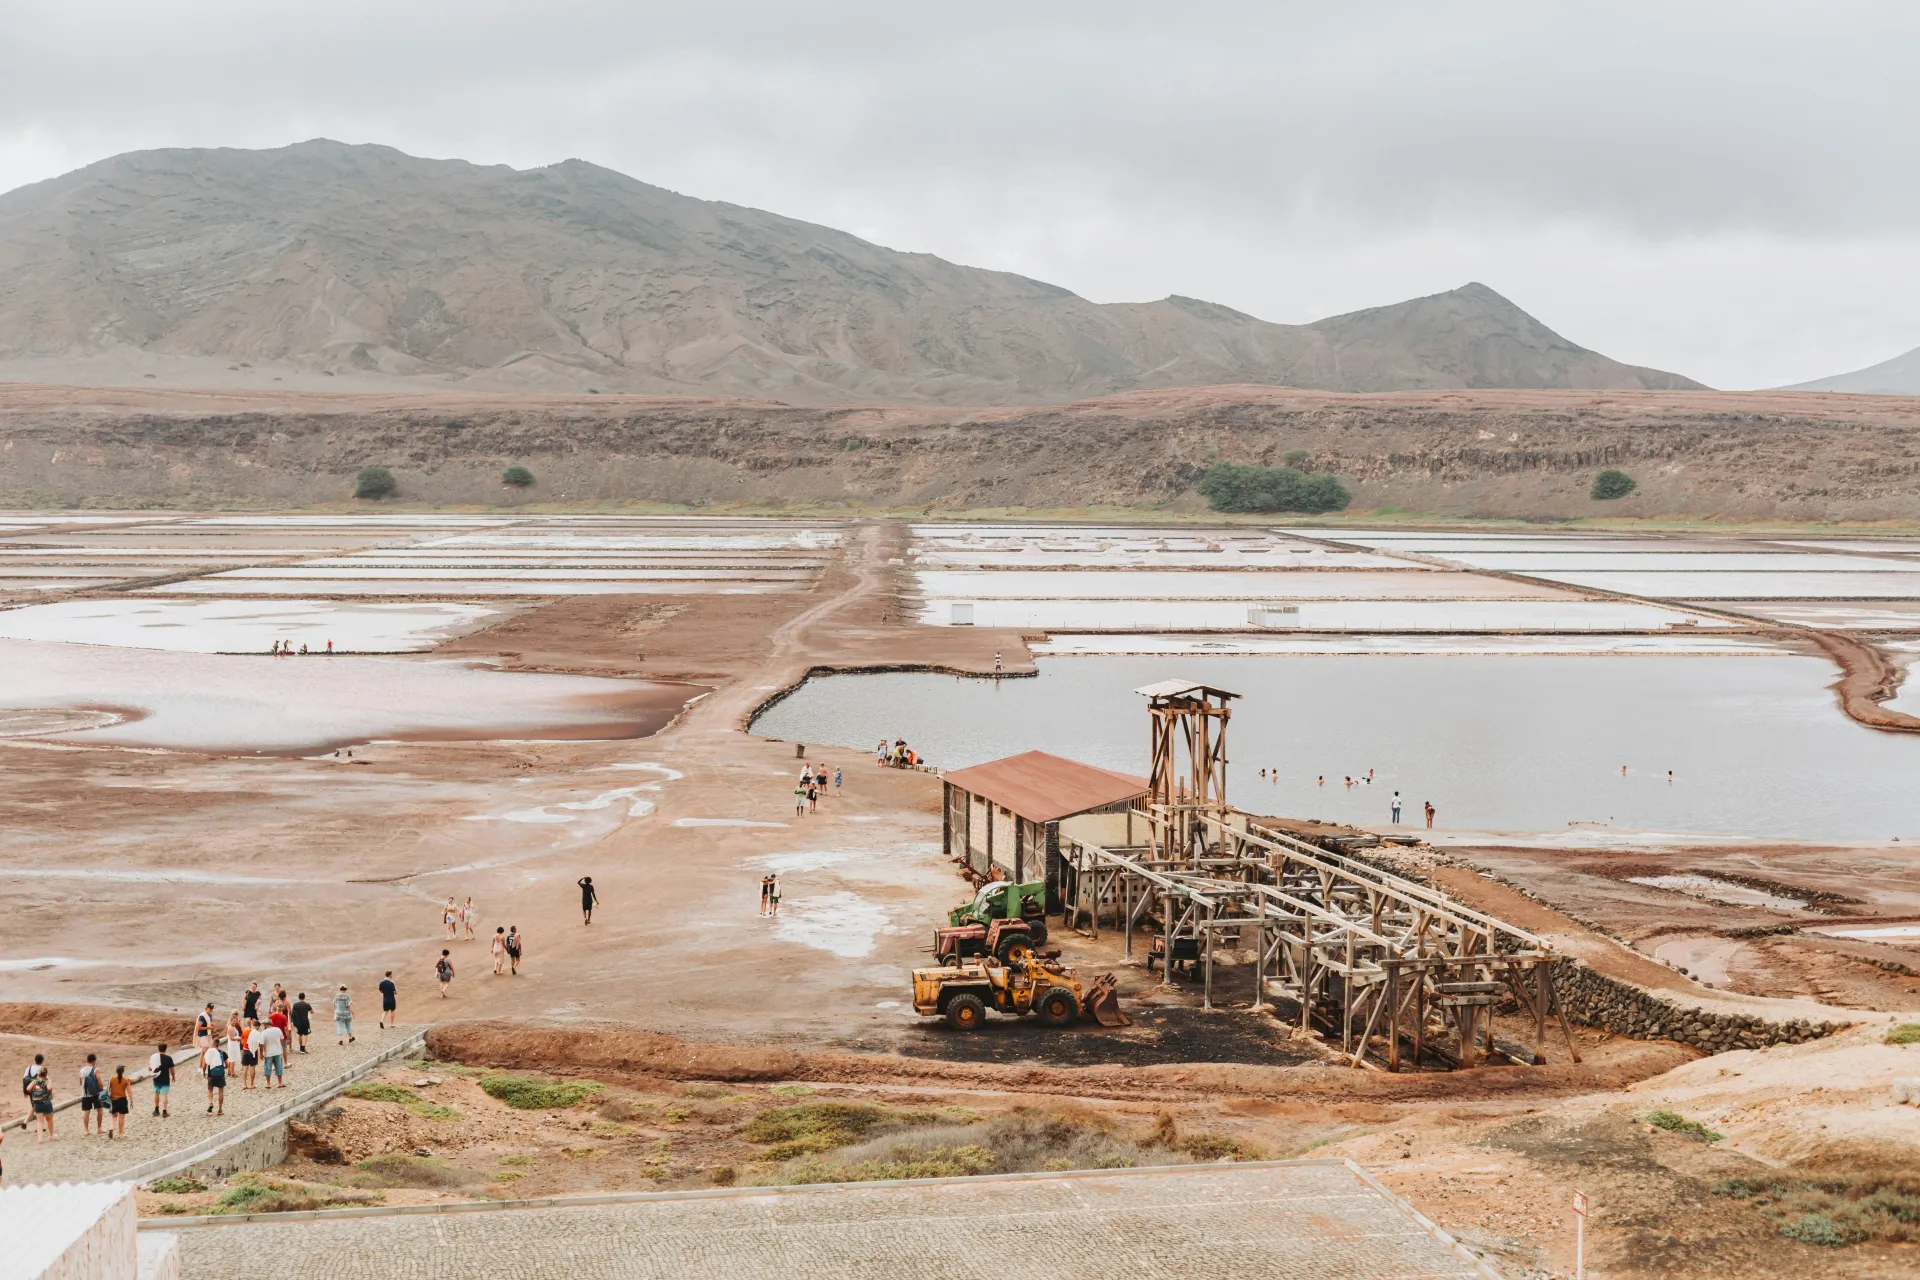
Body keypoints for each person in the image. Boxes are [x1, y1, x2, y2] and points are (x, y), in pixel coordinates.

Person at [255, 1020, 285, 1090]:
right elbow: (282, 1039)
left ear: (265, 1025)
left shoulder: (264, 1033)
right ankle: (280, 1082)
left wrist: (261, 1054)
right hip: (278, 1051)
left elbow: (261, 1045)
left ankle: (268, 1083)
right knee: (279, 1067)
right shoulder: (278, 1029)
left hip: (268, 1053)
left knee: (268, 1068)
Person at [79, 1054, 104, 1136]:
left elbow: (80, 1082)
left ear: (87, 1060)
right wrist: (101, 1089)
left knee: (86, 1111)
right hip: (96, 1093)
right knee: (99, 1109)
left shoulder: (82, 1070)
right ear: (94, 1061)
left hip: (85, 1094)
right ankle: (99, 1128)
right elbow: (99, 1081)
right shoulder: (95, 1070)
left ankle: (86, 1130)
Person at [149, 1043, 174, 1117]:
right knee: (164, 1095)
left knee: (156, 1093)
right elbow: (171, 1069)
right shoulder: (168, 1058)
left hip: (156, 1078)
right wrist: (173, 1076)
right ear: (166, 1049)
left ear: (158, 1048)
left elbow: (150, 1068)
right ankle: (164, 1111)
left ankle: (156, 1110)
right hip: (165, 1079)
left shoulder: (154, 1058)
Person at [28, 1068, 53, 1141]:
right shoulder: (46, 1081)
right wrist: (50, 1081)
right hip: (46, 1102)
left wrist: (35, 1090)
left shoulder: (34, 1081)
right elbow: (49, 1088)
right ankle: (51, 1136)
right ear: (46, 1074)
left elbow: (28, 1088)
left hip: (37, 1103)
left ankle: (40, 1138)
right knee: (49, 1119)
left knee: (39, 1121)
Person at [202, 1041, 226, 1115]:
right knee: (221, 1091)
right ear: (219, 1044)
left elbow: (204, 1065)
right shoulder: (222, 1053)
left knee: (210, 1090)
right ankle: (220, 1110)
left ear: (213, 1045)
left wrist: (203, 1072)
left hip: (211, 1074)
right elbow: (227, 1064)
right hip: (220, 1074)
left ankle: (211, 1103)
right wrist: (223, 1068)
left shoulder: (209, 1052)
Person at [107, 1065, 130, 1137]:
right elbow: (130, 1092)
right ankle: (120, 1134)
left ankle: (111, 1127)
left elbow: (108, 1090)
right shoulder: (126, 1080)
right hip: (122, 1100)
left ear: (116, 1071)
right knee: (121, 1117)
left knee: (113, 1116)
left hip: (113, 1100)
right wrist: (132, 1101)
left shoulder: (111, 1078)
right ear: (123, 1072)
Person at [193, 1004, 215, 1075]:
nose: (211, 1010)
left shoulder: (210, 1016)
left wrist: (211, 1026)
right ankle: (205, 1069)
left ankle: (200, 1067)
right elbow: (198, 1028)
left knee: (204, 1051)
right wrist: (209, 1028)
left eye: (212, 1008)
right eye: (210, 1008)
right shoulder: (202, 1017)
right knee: (207, 1052)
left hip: (208, 1034)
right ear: (206, 1008)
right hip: (202, 1035)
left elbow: (208, 1024)